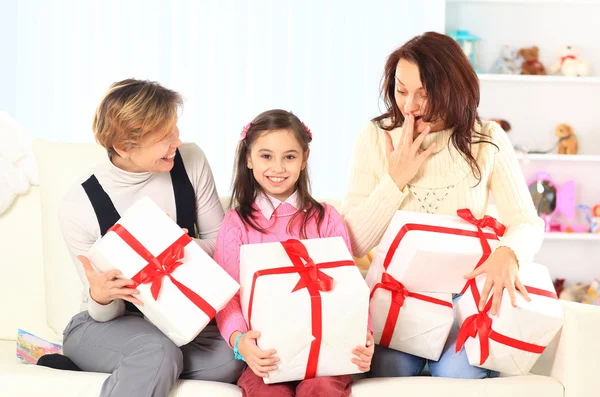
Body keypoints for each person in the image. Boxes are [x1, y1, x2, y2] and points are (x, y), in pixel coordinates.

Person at [341, 32, 545, 379]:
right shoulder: (375, 137)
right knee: (389, 368)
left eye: (424, 93)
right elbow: (353, 242)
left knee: (458, 374)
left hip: (464, 307)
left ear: (453, 88)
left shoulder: (487, 138)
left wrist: (507, 252)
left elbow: (526, 221)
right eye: (401, 90)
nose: (409, 106)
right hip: (398, 308)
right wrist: (396, 180)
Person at [57, 79, 245, 396]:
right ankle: (137, 360)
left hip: (179, 321)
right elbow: (105, 313)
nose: (177, 141)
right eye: (164, 137)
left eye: (175, 129)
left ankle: (133, 367)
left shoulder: (191, 160)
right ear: (124, 148)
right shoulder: (79, 204)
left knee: (231, 359)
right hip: (108, 323)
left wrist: (180, 248)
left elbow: (222, 247)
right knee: (156, 352)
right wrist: (102, 295)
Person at [214, 109, 374, 396]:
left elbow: (351, 288)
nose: (278, 167)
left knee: (320, 388)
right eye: (266, 156)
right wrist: (241, 343)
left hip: (328, 352)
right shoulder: (235, 224)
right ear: (248, 158)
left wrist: (365, 336)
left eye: (289, 156)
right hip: (265, 355)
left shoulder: (327, 218)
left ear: (304, 160)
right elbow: (227, 296)